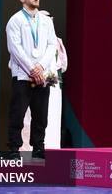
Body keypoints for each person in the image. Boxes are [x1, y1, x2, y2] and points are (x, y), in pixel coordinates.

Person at [6, 0, 58, 159]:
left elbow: (52, 44)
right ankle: (14, 149)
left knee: (41, 115)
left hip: (43, 75)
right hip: (22, 75)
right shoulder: (15, 20)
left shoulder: (46, 21)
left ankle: (38, 147)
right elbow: (15, 48)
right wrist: (31, 69)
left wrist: (41, 67)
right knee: (17, 114)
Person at [20, 10, 67, 151]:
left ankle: (50, 151)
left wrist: (51, 76)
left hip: (53, 86)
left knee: (51, 118)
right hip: (33, 83)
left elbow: (63, 65)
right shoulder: (28, 39)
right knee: (31, 118)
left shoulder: (57, 41)